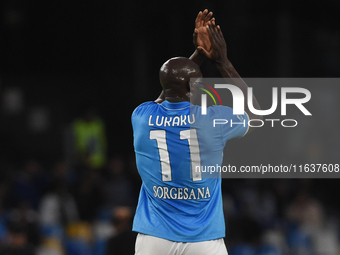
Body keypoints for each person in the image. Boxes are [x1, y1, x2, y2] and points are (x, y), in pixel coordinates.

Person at [131, 10, 262, 255]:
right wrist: (223, 61)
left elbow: (167, 90)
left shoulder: (141, 116)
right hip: (203, 240)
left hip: (153, 239)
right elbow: (256, 115)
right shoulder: (212, 119)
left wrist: (197, 57)